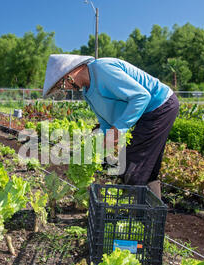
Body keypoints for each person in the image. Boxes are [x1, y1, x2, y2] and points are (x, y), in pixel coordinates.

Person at [42, 54, 179, 199]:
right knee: (145, 166)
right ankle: (152, 213)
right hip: (147, 113)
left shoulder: (102, 69)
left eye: (62, 84)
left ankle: (134, 213)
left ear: (70, 74)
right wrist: (95, 147)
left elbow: (141, 97)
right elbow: (107, 121)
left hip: (161, 105)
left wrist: (118, 129)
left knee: (133, 165)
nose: (66, 88)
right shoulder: (88, 93)